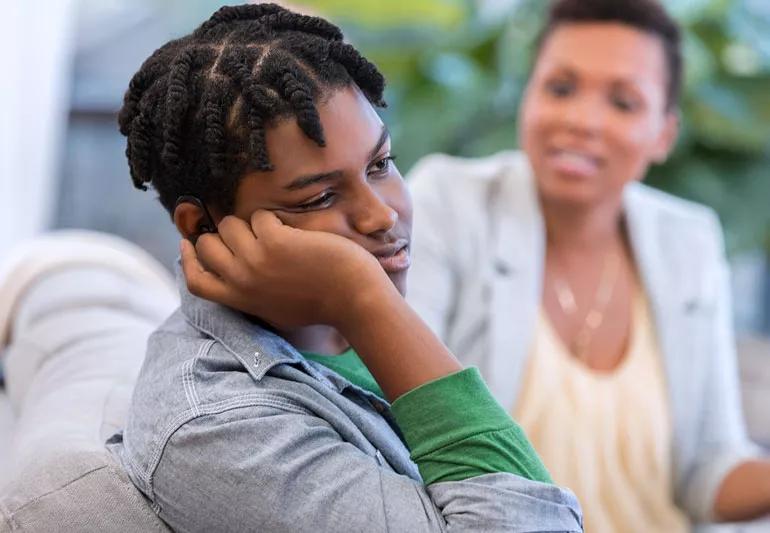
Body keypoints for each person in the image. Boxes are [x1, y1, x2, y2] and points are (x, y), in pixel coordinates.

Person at [107, 4, 583, 532]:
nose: (381, 214)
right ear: (202, 226)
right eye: (319, 197)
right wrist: (362, 298)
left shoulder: (347, 323)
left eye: (380, 164)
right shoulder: (219, 431)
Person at [406, 0, 770, 531]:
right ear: (527, 97)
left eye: (623, 102)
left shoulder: (688, 241)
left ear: (664, 134)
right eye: (560, 88)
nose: (582, 120)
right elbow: (402, 421)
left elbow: (707, 473)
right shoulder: (449, 203)